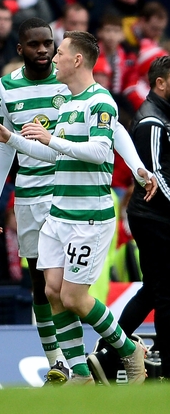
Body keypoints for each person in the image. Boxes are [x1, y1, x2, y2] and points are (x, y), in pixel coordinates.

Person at [0, 18, 157, 384]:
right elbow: (56, 155)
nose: (53, 56)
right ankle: (79, 371)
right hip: (58, 214)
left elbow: (99, 150)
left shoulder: (99, 101)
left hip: (88, 216)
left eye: (60, 51)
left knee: (76, 298)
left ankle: (130, 351)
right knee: (51, 291)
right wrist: (12, 138)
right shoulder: (68, 102)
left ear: (77, 60)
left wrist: (53, 141)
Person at [88, 55, 170, 381]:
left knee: (154, 289)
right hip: (153, 217)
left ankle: (109, 353)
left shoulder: (163, 116)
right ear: (161, 83)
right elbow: (155, 175)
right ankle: (163, 360)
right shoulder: (152, 121)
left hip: (156, 215)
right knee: (164, 291)